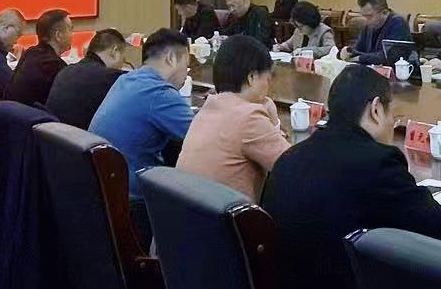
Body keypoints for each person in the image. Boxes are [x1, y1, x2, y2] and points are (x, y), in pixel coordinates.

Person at [261, 65, 441, 289]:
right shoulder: (376, 163)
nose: (392, 125)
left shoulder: (290, 157)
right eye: (392, 115)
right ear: (376, 109)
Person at [89, 29, 196, 216]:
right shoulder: (159, 92)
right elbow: (203, 136)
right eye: (186, 65)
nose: (186, 75)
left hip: (103, 191)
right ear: (171, 59)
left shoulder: (125, 79)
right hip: (135, 201)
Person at [177, 36, 290, 200]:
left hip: (189, 209)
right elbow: (292, 168)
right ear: (252, 78)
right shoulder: (249, 116)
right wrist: (274, 120)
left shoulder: (208, 108)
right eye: (267, 79)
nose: (268, 86)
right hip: (225, 214)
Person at [46, 28, 129, 129]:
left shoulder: (66, 70)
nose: (121, 65)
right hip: (79, 137)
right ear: (114, 51)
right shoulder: (109, 77)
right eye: (123, 59)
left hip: (55, 135)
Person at [11, 9, 73, 106]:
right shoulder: (55, 66)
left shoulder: (30, 53)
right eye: (70, 29)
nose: (72, 35)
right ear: (58, 35)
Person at [340, 0, 412, 64]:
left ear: (384, 12)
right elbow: (358, 50)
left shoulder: (398, 23)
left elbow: (387, 57)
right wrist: (349, 52)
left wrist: (359, 58)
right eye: (363, 16)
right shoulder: (368, 26)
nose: (365, 20)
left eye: (369, 16)